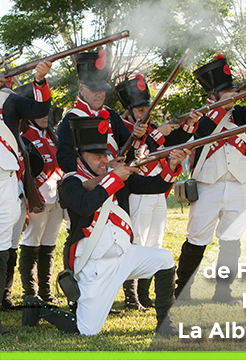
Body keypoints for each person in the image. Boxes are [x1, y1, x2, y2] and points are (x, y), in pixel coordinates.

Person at [22, 115, 190, 336]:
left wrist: (172, 164)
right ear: (80, 158)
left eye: (105, 155)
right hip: (94, 264)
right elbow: (84, 206)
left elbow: (155, 185)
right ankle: (38, 307)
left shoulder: (113, 176)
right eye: (97, 156)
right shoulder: (71, 181)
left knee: (165, 259)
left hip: (124, 254)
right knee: (86, 331)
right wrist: (113, 178)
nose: (103, 160)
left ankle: (164, 323)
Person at [174, 54, 246, 303]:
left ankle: (223, 292)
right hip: (209, 185)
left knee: (231, 240)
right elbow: (202, 133)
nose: (232, 95)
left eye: (233, 91)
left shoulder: (239, 114)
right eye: (227, 91)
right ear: (214, 95)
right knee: (197, 239)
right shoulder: (201, 118)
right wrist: (222, 107)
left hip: (239, 184)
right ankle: (182, 292)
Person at [115, 75, 201, 311]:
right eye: (140, 109)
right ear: (129, 111)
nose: (145, 114)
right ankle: (131, 297)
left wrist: (190, 123)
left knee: (154, 243)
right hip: (137, 193)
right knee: (137, 243)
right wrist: (157, 134)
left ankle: (144, 296)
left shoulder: (152, 129)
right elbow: (134, 157)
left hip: (157, 192)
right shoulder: (123, 130)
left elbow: (178, 138)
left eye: (147, 109)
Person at [0, 60, 52, 336]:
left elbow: (40, 108)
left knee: (3, 243)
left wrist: (40, 80)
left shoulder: (10, 100)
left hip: (5, 179)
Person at [56, 51, 146, 174]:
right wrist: (105, 167)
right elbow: (65, 161)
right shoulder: (71, 118)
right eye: (94, 90)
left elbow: (128, 150)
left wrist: (137, 136)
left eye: (102, 90)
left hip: (115, 180)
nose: (99, 94)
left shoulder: (112, 115)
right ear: (82, 89)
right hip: (88, 185)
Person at [18, 89, 63, 304]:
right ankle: (30, 293)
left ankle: (46, 292)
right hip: (37, 199)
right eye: (40, 112)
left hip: (56, 199)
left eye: (46, 111)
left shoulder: (51, 135)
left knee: (49, 246)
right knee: (31, 244)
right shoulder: (24, 136)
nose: (45, 115)